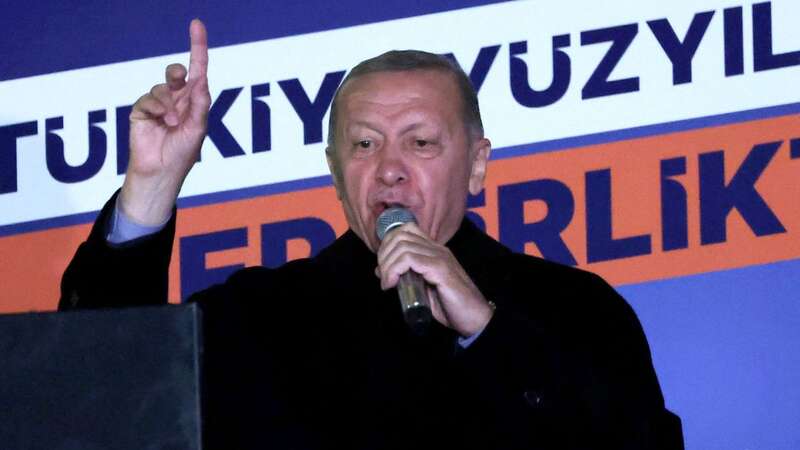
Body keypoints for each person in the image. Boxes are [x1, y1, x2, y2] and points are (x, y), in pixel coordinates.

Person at [59, 20, 683, 449]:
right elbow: (97, 396)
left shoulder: (575, 312)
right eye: (363, 144)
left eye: (420, 142)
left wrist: (488, 333)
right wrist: (151, 184)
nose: (389, 167)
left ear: (475, 164)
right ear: (334, 171)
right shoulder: (256, 320)